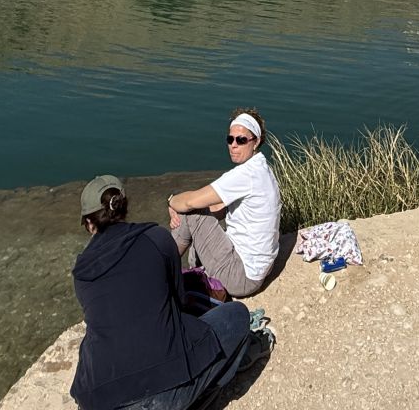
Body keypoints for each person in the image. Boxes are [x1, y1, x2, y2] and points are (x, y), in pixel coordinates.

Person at [71, 175, 255, 410]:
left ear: (89, 223)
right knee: (237, 315)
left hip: (100, 401)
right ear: (125, 207)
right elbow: (179, 304)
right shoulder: (157, 239)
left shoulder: (82, 272)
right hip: (166, 391)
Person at [168, 110, 282, 299]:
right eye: (230, 140)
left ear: (256, 141)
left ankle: (158, 268)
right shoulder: (261, 169)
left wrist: (172, 201)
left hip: (241, 277)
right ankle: (192, 273)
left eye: (241, 140)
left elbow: (189, 202)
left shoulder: (246, 175)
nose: (234, 146)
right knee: (195, 212)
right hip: (254, 269)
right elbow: (217, 209)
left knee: (191, 213)